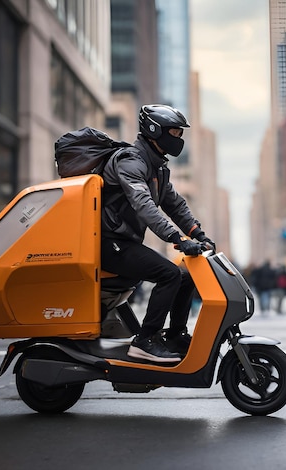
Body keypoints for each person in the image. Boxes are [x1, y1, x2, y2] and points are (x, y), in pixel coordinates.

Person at [100, 104, 215, 363]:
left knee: (185, 276)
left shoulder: (157, 168)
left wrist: (199, 234)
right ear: (154, 130)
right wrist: (177, 238)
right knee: (169, 274)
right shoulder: (131, 161)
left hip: (124, 243)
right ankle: (145, 340)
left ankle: (174, 335)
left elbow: (174, 204)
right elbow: (144, 205)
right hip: (108, 242)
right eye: (174, 133)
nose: (179, 139)